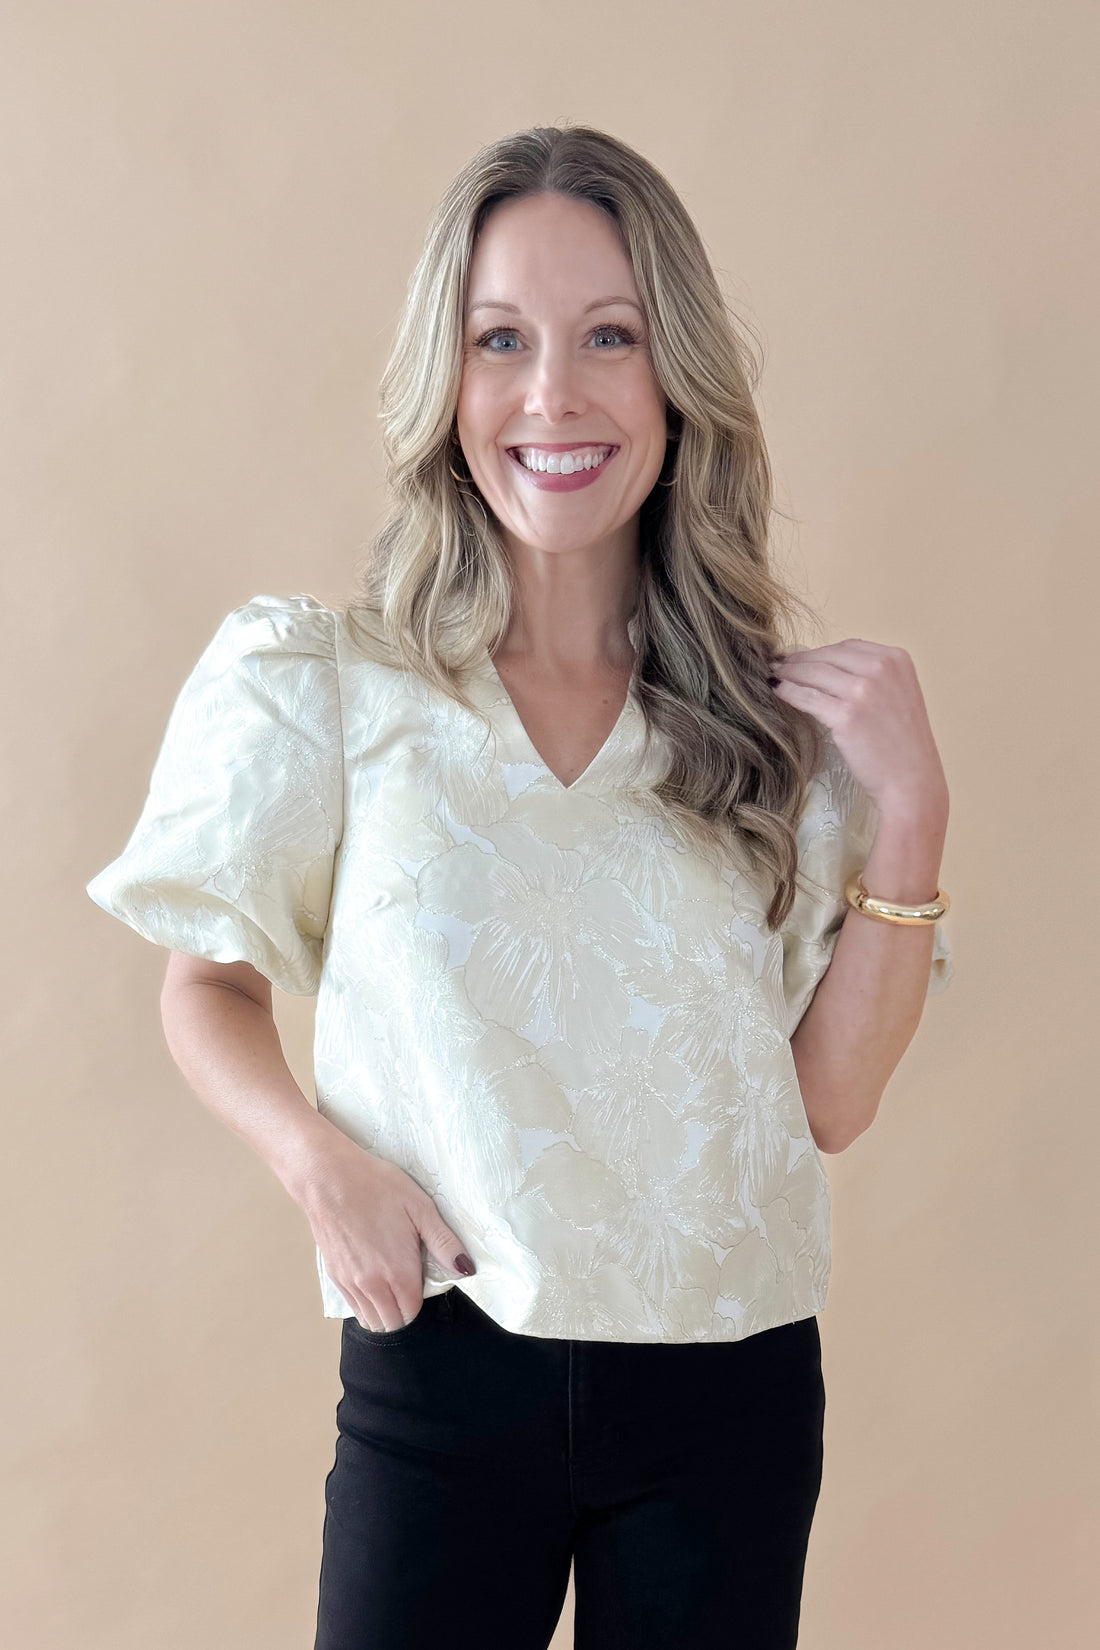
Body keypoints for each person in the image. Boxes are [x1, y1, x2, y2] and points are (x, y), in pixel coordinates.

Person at [85, 124, 954, 1650]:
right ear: (451, 379)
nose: (553, 395)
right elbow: (203, 986)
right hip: (442, 1371)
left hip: (725, 1384)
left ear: (674, 380)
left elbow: (825, 1099)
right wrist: (318, 1162)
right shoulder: (332, 686)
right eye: (503, 341)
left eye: (609, 337)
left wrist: (915, 815)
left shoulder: (775, 733)